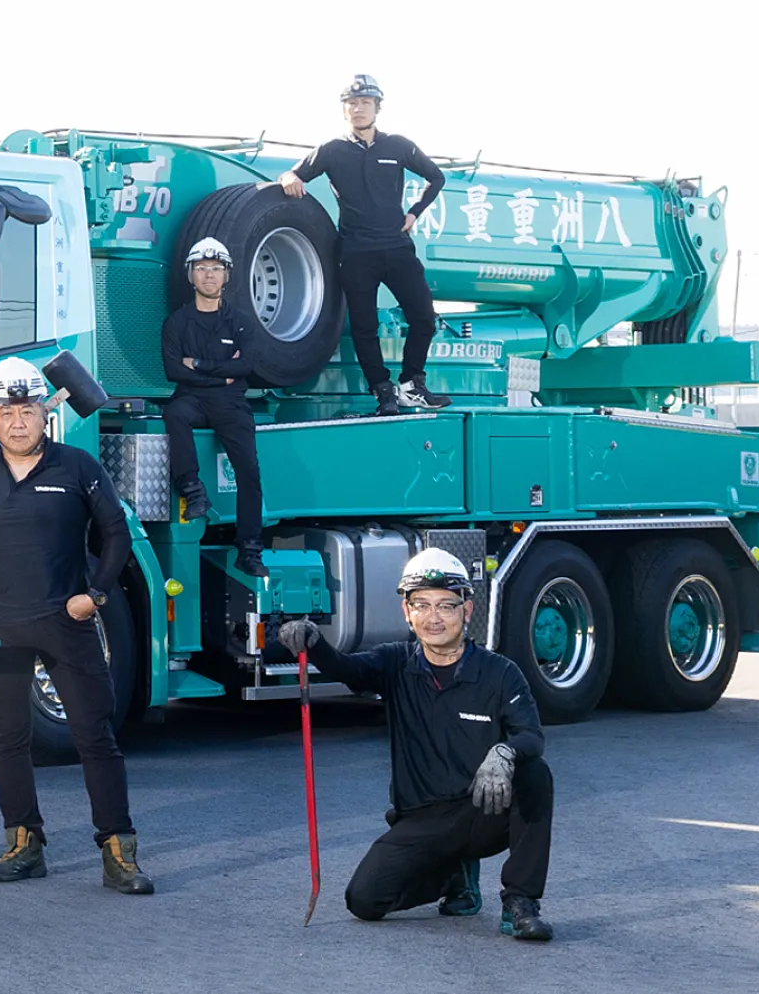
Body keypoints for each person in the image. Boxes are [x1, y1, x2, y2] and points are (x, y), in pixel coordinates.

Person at [0, 356, 152, 895]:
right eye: (6, 412)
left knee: (94, 735)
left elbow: (116, 535)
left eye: (27, 410)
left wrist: (95, 595)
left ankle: (118, 850)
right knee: (8, 738)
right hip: (0, 622)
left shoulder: (77, 466)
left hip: (66, 620)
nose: (17, 422)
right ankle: (24, 845)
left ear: (44, 414)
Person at [273, 550, 553, 941]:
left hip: (483, 810)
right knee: (364, 900)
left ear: (467, 610)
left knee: (534, 774)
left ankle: (521, 901)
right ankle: (453, 878)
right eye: (422, 604)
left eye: (446, 605)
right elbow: (346, 668)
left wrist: (505, 752)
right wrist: (313, 641)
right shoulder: (394, 663)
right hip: (421, 819)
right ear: (407, 611)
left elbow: (530, 736)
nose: (433, 617)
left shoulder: (500, 673)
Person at [274, 74, 450, 416]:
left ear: (377, 107)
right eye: (352, 103)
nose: (358, 108)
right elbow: (292, 174)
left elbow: (436, 177)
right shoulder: (331, 149)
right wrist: (289, 177)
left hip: (396, 247)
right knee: (364, 327)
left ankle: (412, 385)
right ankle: (383, 391)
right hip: (355, 252)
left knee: (424, 317)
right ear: (344, 110)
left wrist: (414, 213)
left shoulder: (399, 145)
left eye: (365, 102)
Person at [160, 237, 267, 578]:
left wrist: (199, 365)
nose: (209, 275)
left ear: (227, 275)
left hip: (231, 403)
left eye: (216, 268)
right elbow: (173, 371)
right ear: (190, 275)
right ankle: (193, 491)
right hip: (191, 399)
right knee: (174, 414)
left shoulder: (241, 322)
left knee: (249, 473)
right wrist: (222, 374)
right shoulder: (176, 322)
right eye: (202, 268)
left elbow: (246, 366)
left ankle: (249, 550)